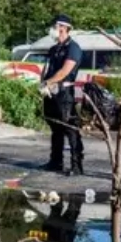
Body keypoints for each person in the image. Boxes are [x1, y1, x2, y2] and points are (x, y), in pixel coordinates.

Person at [39, 14, 84, 176]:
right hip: (50, 91)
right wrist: (42, 82)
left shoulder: (73, 48)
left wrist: (49, 82)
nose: (52, 30)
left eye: (54, 26)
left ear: (63, 28)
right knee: (55, 128)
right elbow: (46, 68)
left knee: (70, 128)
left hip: (64, 92)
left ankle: (76, 164)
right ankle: (55, 161)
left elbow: (66, 70)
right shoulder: (53, 48)